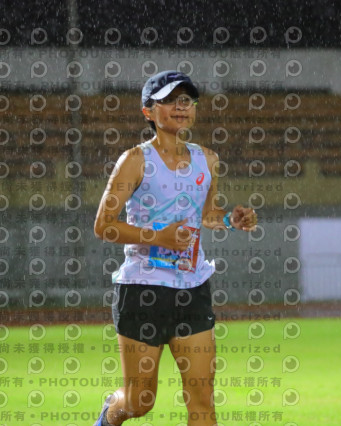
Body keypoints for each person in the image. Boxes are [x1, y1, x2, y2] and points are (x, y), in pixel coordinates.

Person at [93, 70, 257, 426]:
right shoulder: (135, 160)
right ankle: (109, 414)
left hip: (192, 287)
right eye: (169, 100)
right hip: (143, 290)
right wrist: (157, 237)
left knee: (202, 402)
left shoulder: (208, 160)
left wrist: (230, 220)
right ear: (148, 111)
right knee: (140, 401)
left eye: (186, 100)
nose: (180, 106)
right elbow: (103, 225)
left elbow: (206, 215)